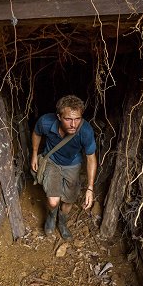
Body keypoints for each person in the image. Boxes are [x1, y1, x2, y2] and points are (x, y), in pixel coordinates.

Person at [31, 95, 97, 240]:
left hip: (73, 164)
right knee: (53, 201)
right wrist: (35, 154)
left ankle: (62, 222)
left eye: (77, 119)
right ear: (59, 117)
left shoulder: (85, 131)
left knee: (68, 200)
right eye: (68, 119)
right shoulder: (46, 122)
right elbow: (36, 133)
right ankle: (51, 216)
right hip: (52, 161)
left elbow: (91, 158)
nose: (73, 124)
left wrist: (90, 188)